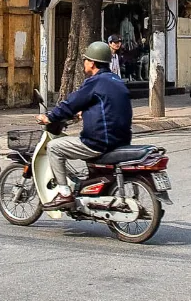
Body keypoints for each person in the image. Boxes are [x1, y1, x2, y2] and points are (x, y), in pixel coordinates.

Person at [35, 41, 132, 210]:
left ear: (92, 63)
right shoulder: (115, 80)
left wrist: (50, 118)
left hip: (100, 142)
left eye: (86, 60)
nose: (84, 63)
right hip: (121, 139)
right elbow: (105, 105)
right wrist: (84, 112)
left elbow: (71, 103)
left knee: (54, 147)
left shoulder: (94, 82)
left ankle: (64, 194)